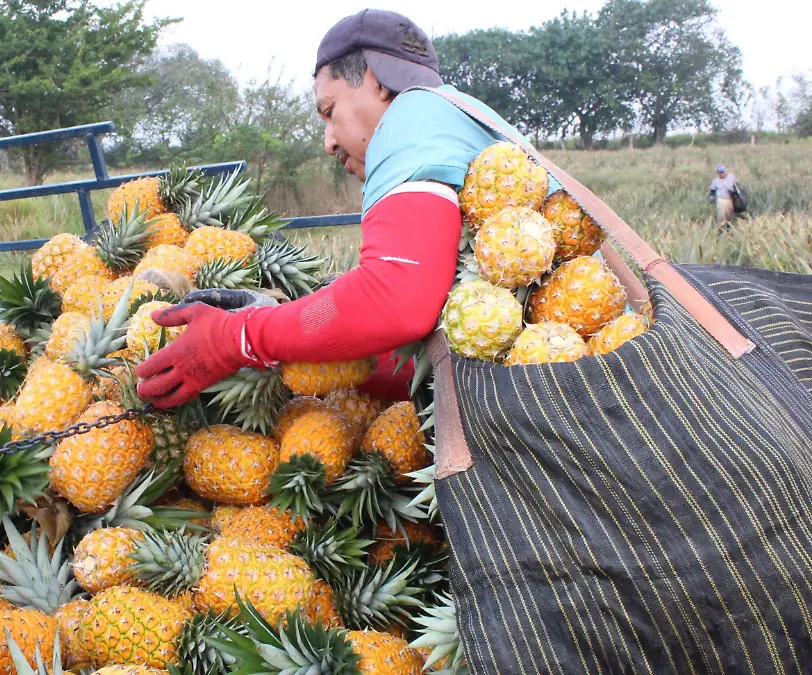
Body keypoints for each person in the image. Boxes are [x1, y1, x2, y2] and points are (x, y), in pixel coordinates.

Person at [132, 9, 553, 407]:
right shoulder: (466, 115)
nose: (329, 141)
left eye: (329, 112)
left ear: (379, 81)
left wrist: (238, 337)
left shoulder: (410, 117)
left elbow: (395, 302)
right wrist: (278, 320)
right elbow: (417, 340)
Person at [708, 164, 739, 228]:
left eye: (722, 172)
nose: (721, 174)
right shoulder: (715, 181)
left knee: (729, 214)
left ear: (725, 171)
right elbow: (712, 190)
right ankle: (720, 228)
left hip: (730, 199)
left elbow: (736, 186)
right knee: (721, 215)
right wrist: (711, 196)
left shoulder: (731, 177)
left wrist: (738, 196)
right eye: (720, 172)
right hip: (721, 199)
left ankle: (729, 227)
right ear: (717, 173)